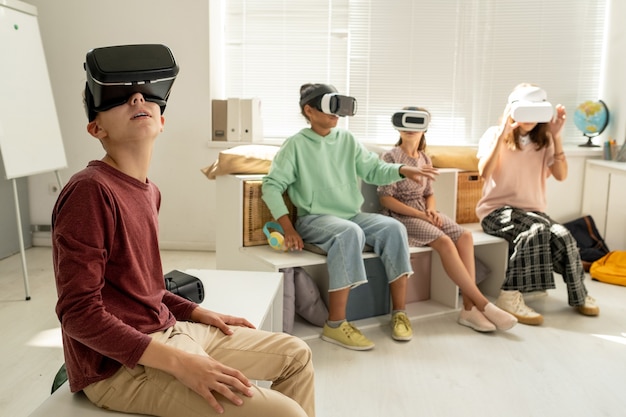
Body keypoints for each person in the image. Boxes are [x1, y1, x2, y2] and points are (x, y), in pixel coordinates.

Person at [52, 48, 315, 417]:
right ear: (97, 128)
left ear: (162, 121)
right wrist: (180, 363)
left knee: (297, 355)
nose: (138, 98)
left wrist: (196, 312)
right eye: (121, 98)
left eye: (146, 95)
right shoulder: (90, 190)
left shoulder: (149, 190)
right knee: (287, 413)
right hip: (116, 368)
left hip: (169, 332)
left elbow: (143, 288)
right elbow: (77, 313)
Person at [261, 83, 439, 351]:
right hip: (315, 219)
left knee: (393, 228)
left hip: (351, 215)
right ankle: (335, 324)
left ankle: (399, 312)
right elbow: (271, 186)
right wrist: (288, 227)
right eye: (330, 107)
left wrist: (402, 169)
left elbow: (374, 170)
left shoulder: (346, 140)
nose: (336, 114)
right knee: (349, 233)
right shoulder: (295, 145)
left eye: (338, 108)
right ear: (309, 110)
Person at [377, 107, 517, 332]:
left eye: (416, 124)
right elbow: (386, 199)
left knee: (464, 235)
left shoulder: (424, 157)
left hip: (424, 211)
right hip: (401, 216)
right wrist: (421, 215)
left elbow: (429, 193)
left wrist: (431, 210)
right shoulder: (390, 156)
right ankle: (483, 304)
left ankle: (469, 309)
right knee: (443, 241)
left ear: (425, 127)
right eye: (404, 124)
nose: (409, 130)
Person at [476, 83, 600, 325]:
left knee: (563, 234)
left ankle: (579, 294)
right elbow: (483, 172)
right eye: (525, 110)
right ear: (513, 109)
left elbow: (561, 175)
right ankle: (509, 295)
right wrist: (502, 134)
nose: (531, 118)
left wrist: (556, 136)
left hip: (532, 212)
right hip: (495, 211)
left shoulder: (543, 141)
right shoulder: (494, 134)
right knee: (538, 229)